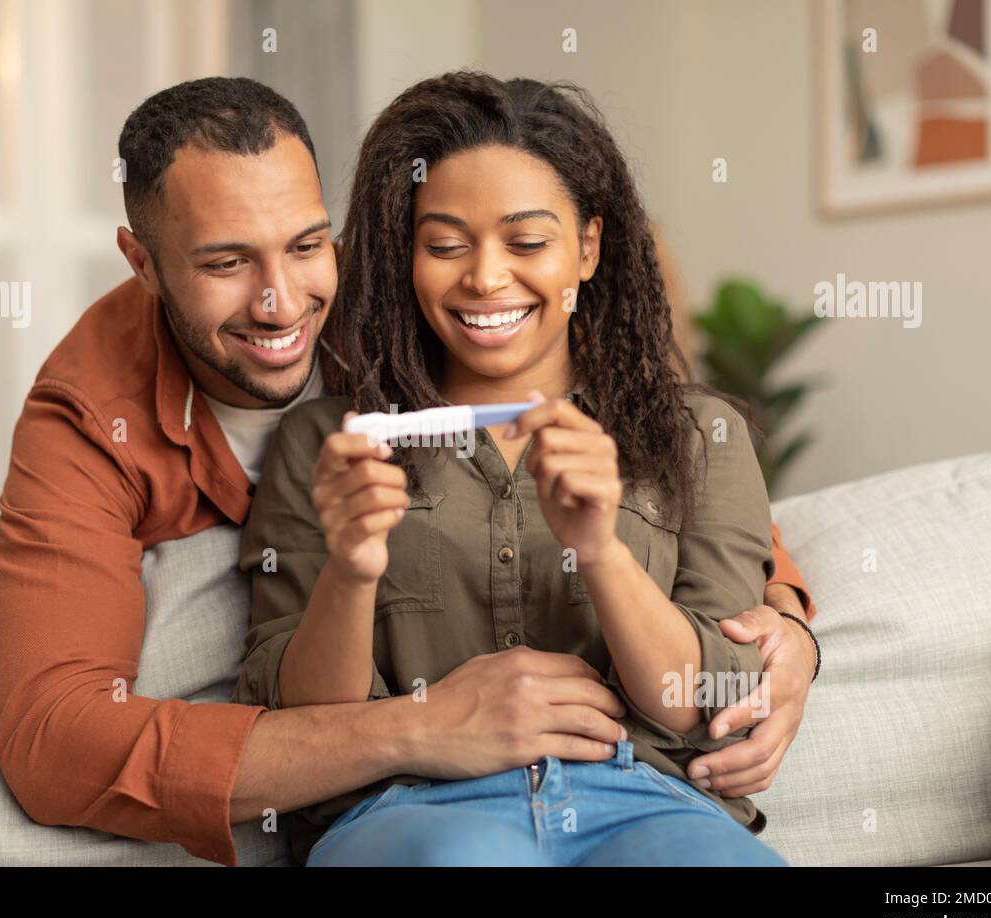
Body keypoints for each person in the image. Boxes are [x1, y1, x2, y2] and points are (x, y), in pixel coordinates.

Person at [0, 76, 818, 867]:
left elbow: (696, 521)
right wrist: (416, 726)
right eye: (225, 263)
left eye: (308, 245)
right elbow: (57, 740)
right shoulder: (93, 418)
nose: (280, 302)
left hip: (642, 791)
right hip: (409, 800)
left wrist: (790, 627)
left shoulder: (412, 300)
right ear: (144, 263)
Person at [234, 72, 804, 866]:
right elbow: (303, 717)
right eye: (445, 245)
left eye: (528, 242)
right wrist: (352, 569)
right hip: (411, 804)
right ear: (406, 256)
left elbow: (696, 703)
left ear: (589, 248)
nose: (485, 277)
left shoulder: (700, 434)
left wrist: (602, 551)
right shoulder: (331, 443)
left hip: (645, 796)